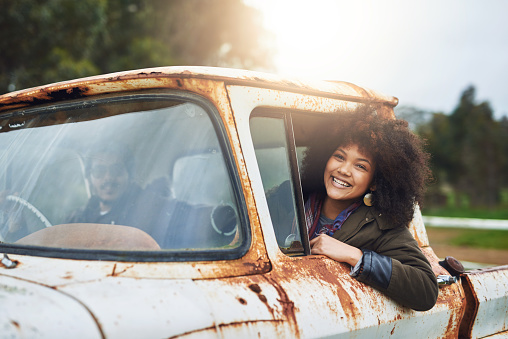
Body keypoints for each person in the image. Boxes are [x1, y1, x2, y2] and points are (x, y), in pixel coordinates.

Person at [300, 106, 439, 311]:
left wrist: (355, 256)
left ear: (375, 182)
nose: (343, 170)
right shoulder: (287, 198)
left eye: (360, 166)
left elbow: (426, 289)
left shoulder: (382, 226)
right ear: (324, 157)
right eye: (339, 156)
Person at [66, 142, 165, 235]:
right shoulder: (77, 219)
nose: (108, 177)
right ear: (89, 178)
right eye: (99, 171)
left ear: (130, 176)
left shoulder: (149, 212)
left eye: (116, 170)